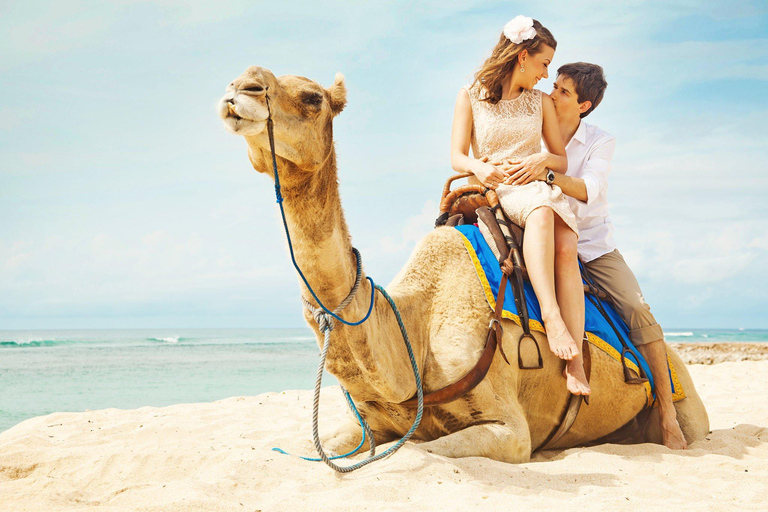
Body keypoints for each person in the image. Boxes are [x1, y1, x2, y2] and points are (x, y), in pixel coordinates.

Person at [503, 61, 688, 449]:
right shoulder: (533, 129)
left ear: (583, 105)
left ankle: (668, 414)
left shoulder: (600, 140)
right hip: (541, 229)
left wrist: (546, 172)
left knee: (638, 310)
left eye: (563, 92)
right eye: (553, 86)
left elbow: (589, 188)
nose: (552, 94)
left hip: (591, 242)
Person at [450, 16, 590, 396]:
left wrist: (540, 161)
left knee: (567, 246)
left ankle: (575, 360)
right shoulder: (470, 95)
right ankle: (551, 315)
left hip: (536, 185)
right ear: (523, 56)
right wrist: (479, 166)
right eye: (545, 64)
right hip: (501, 189)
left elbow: (560, 160)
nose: (547, 75)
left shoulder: (540, 102)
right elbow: (456, 156)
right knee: (542, 213)